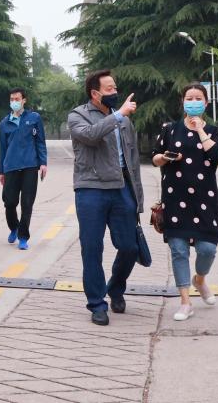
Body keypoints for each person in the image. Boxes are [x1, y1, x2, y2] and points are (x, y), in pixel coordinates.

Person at [67, 69, 144, 326]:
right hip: (90, 188)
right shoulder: (78, 115)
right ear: (95, 93)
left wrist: (138, 196)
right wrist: (118, 114)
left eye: (115, 88)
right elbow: (90, 135)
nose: (115, 92)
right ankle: (97, 303)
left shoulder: (124, 120)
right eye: (109, 89)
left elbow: (132, 160)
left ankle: (116, 287)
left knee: (130, 246)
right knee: (92, 248)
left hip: (121, 188)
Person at [152, 83, 218, 321]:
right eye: (189, 98)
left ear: (206, 103)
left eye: (198, 98)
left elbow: (216, 155)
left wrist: (200, 131)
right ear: (183, 102)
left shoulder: (213, 131)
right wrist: (164, 157)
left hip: (205, 200)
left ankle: (200, 280)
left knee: (207, 249)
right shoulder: (169, 129)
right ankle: (185, 302)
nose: (193, 102)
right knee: (178, 250)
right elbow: (155, 157)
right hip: (175, 198)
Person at [0, 87, 48, 250]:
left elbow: (40, 141)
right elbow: (3, 148)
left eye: (17, 99)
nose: (14, 102)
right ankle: (14, 226)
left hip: (30, 166)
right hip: (11, 166)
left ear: (24, 100)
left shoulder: (34, 118)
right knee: (9, 202)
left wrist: (43, 162)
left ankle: (23, 236)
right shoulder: (5, 123)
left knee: (27, 203)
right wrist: (1, 171)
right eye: (11, 99)